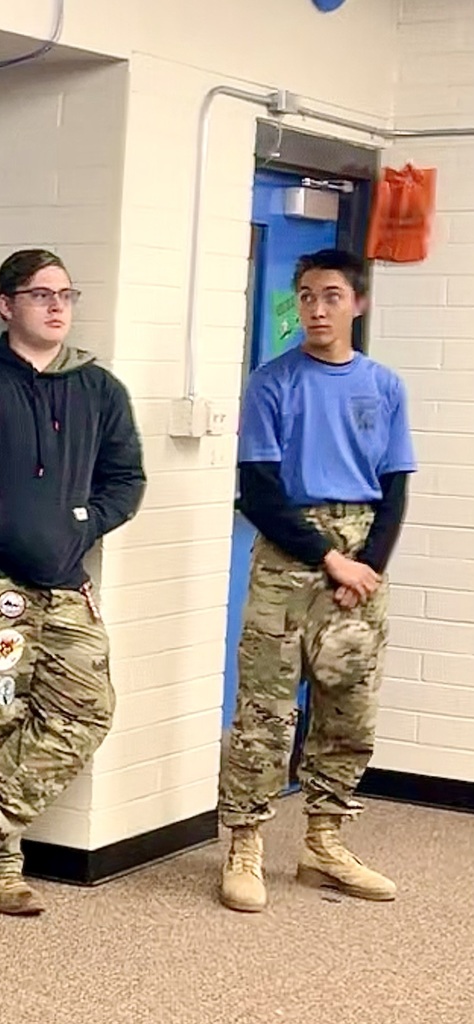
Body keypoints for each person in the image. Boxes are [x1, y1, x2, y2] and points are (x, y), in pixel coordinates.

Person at [0, 248, 146, 917]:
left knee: (86, 707)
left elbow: (125, 480)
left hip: (64, 577)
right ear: (6, 304)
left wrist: (82, 528)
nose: (55, 306)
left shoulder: (98, 389)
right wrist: (3, 530)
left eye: (66, 295)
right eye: (40, 294)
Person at [219, 248, 416, 913]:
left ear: (355, 303)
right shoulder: (273, 382)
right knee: (266, 709)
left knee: (348, 705)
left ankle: (324, 843)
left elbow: (395, 489)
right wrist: (329, 560)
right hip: (289, 553)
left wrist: (366, 571)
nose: (316, 309)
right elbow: (259, 492)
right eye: (305, 296)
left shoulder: (384, 386)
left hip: (362, 556)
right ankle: (245, 843)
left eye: (331, 295)